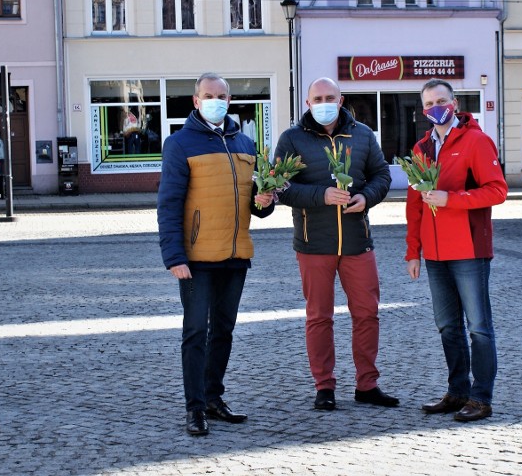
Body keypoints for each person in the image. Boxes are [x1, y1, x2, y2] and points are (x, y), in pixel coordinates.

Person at [157, 72, 275, 437]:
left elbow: (257, 206)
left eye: (222, 94)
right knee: (196, 332)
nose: (216, 100)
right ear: (195, 101)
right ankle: (194, 409)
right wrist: (174, 256)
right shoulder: (179, 144)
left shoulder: (245, 143)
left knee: (223, 330)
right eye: (208, 95)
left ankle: (213, 398)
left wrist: (265, 202)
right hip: (196, 257)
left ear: (229, 99)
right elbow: (169, 203)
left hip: (236, 253)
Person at [273, 77, 398, 411]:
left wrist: (366, 196)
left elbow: (382, 176)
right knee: (319, 317)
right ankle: (324, 386)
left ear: (341, 100)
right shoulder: (292, 139)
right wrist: (321, 195)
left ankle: (367, 385)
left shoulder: (363, 134)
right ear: (307, 103)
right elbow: (281, 188)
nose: (324, 102)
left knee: (368, 314)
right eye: (317, 98)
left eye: (330, 97)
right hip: (314, 243)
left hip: (358, 241)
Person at [404, 78, 508, 422]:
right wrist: (413, 251)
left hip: (468, 249)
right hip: (434, 254)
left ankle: (481, 398)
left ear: (455, 102)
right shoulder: (421, 150)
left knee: (478, 326)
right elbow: (415, 206)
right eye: (430, 103)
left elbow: (497, 191)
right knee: (448, 326)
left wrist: (453, 200)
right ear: (423, 110)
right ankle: (457, 391)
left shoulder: (476, 141)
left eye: (442, 101)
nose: (437, 107)